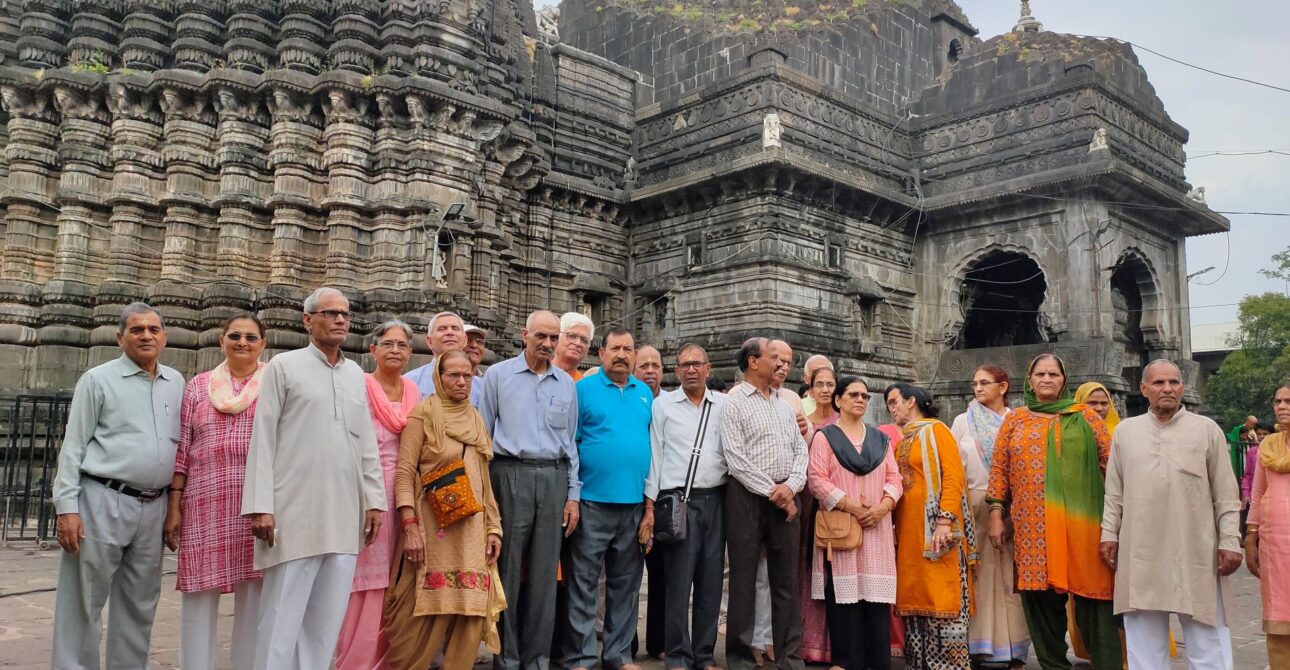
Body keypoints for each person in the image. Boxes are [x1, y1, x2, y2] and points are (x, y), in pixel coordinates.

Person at [241, 287, 386, 669]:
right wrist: (260, 507)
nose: (340, 319)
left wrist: (373, 500)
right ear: (308, 320)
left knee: (325, 623)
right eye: (330, 313)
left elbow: (365, 442)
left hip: (343, 513)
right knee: (281, 618)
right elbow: (264, 438)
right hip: (292, 513)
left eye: (345, 314)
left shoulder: (356, 374)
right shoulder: (283, 368)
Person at [50, 302, 186, 669]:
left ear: (165, 337)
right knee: (83, 600)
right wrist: (67, 509)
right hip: (102, 499)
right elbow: (74, 445)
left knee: (140, 604)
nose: (146, 335)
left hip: (153, 506)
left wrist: (174, 506)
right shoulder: (98, 380)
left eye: (153, 329)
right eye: (137, 329)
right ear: (119, 337)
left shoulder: (176, 382)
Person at [1101, 360, 1241, 670]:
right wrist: (1109, 534)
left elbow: (1226, 494)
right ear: (1144, 389)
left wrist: (1230, 540)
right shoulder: (1126, 431)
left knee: (1208, 639)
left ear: (1183, 387)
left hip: (1196, 550)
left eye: (1174, 382)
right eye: (1159, 383)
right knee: (1144, 643)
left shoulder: (1206, 430)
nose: (1168, 388)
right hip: (1141, 551)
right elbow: (1114, 492)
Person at [985, 354, 1119, 670]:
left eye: (1054, 374)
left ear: (1063, 380)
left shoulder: (1086, 417)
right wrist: (995, 513)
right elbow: (999, 468)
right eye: (1040, 373)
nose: (1047, 379)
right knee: (1040, 604)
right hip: (1033, 529)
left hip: (1083, 526)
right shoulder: (1015, 420)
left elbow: (1111, 466)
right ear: (1029, 380)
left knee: (1093, 602)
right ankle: (1052, 664)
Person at [384, 350, 504, 669]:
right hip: (430, 531)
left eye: (467, 374)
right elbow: (405, 471)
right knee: (416, 614)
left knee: (469, 612)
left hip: (471, 532)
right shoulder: (423, 415)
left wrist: (493, 527)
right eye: (454, 374)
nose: (462, 381)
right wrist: (409, 525)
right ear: (439, 376)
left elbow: (483, 481)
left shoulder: (476, 419)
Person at [478, 310, 581, 670]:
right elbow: (484, 438)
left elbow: (570, 446)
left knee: (544, 575)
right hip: (509, 475)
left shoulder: (566, 384)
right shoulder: (498, 375)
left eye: (554, 338)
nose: (548, 344)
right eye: (542, 336)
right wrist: (487, 499)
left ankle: (536, 660)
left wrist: (573, 495)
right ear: (525, 334)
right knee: (506, 570)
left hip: (553, 478)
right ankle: (505, 659)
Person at [165, 313, 267, 670]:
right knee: (198, 594)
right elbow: (182, 450)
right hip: (203, 502)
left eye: (251, 337)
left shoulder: (274, 384)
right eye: (235, 335)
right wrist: (174, 506)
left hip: (257, 504)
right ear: (222, 340)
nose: (243, 342)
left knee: (255, 598)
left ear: (263, 344)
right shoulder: (198, 386)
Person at [564, 327, 654, 670]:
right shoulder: (583, 390)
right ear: (600, 353)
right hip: (591, 502)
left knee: (626, 585)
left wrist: (648, 506)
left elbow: (651, 449)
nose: (621, 354)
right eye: (614, 348)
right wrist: (572, 496)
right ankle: (582, 656)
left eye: (628, 349)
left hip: (633, 505)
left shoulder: (644, 393)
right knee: (584, 584)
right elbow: (570, 445)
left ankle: (617, 654)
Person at [334, 321, 420, 670]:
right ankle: (356, 659)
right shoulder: (360, 386)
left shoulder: (414, 392)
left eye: (402, 345)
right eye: (388, 344)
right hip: (365, 489)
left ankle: (391, 657)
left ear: (411, 353)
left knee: (398, 573)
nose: (396, 350)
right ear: (373, 350)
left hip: (406, 493)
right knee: (365, 576)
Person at [723, 337, 808, 670]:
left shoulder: (784, 405)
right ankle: (741, 658)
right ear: (754, 362)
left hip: (785, 496)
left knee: (787, 581)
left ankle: (789, 657)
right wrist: (776, 492)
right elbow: (735, 458)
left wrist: (791, 487)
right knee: (743, 581)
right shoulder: (734, 402)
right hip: (746, 498)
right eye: (774, 357)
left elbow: (800, 451)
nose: (781, 364)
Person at [807, 377, 902, 670]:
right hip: (842, 526)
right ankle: (847, 661)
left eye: (864, 395)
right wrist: (852, 507)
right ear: (838, 400)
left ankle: (877, 661)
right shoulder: (825, 437)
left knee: (875, 600)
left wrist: (884, 506)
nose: (860, 399)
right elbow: (816, 480)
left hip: (877, 525)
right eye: (853, 394)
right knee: (844, 599)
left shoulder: (879, 439)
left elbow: (894, 478)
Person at [646, 344, 728, 670]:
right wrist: (649, 505)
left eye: (697, 364)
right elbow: (655, 455)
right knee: (677, 583)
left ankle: (705, 655)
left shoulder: (724, 404)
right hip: (678, 501)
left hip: (717, 499)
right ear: (676, 371)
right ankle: (678, 655)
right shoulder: (663, 406)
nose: (691, 370)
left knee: (711, 583)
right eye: (684, 365)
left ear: (708, 369)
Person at [886, 383, 975, 670]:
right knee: (915, 596)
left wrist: (945, 520)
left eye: (894, 401)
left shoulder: (936, 431)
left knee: (942, 595)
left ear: (912, 401)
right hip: (910, 535)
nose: (892, 408)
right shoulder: (906, 439)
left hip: (937, 533)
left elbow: (953, 476)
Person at [949, 366, 1029, 666]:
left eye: (985, 383)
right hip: (973, 504)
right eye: (975, 384)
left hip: (1014, 504)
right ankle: (981, 644)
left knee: (1011, 574)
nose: (978, 388)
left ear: (1003, 386)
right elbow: (954, 467)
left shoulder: (1018, 420)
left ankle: (1015, 646)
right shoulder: (962, 422)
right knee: (979, 572)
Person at [1246, 382, 1290, 667]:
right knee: (1279, 616)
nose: (1282, 406)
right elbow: (1257, 493)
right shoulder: (1268, 445)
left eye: (1288, 401)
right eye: (1278, 401)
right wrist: (1251, 535)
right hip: (1275, 546)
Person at [632, 342, 666, 659]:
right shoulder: (627, 400)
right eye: (644, 365)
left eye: (656, 365)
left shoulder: (670, 404)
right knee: (626, 577)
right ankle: (625, 645)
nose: (650, 371)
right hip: (628, 498)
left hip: (663, 502)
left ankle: (659, 643)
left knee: (661, 575)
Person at [556, 311, 595, 381]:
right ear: (557, 337)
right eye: (572, 336)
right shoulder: (538, 373)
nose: (578, 343)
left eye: (584, 340)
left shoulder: (584, 386)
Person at [1228, 415, 1258, 482]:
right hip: (1239, 456)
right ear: (1247, 421)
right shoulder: (1237, 429)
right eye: (1251, 424)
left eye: (1254, 425)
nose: (1253, 426)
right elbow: (1232, 440)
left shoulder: (1254, 431)